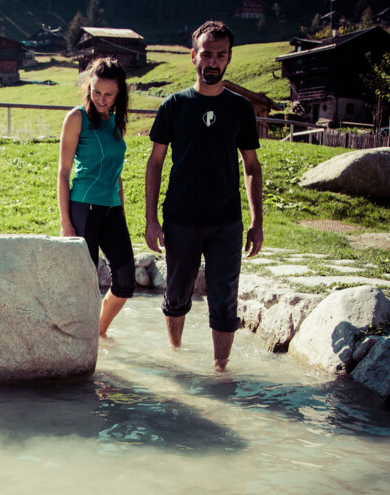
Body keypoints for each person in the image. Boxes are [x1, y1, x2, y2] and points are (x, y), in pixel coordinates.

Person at [143, 20, 264, 371]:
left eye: (220, 55)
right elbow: (155, 164)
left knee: (225, 297)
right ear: (193, 56)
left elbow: (252, 166)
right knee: (177, 292)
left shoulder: (240, 108)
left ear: (228, 59)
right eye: (207, 54)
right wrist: (151, 219)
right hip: (181, 217)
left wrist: (256, 222)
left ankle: (220, 371)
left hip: (226, 219)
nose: (213, 61)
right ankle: (176, 357)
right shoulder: (174, 105)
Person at [57, 57, 136, 338]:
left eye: (109, 94)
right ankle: (78, 343)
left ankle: (97, 334)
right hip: (84, 208)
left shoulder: (115, 122)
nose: (101, 99)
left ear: (119, 95)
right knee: (84, 284)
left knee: (126, 281)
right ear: (89, 87)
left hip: (112, 209)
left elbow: (117, 173)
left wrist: (122, 211)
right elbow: (63, 173)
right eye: (96, 92)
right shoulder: (77, 118)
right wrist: (66, 223)